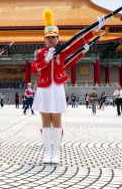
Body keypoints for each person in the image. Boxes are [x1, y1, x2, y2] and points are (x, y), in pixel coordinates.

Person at [31, 9, 102, 164]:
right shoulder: (40, 53)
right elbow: (33, 68)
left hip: (56, 87)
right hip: (43, 88)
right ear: (44, 39)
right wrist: (46, 60)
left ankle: (56, 152)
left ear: (57, 38)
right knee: (45, 119)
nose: (51, 40)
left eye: (53, 37)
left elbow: (77, 41)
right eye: (48, 37)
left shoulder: (62, 51)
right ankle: (47, 152)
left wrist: (94, 30)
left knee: (56, 118)